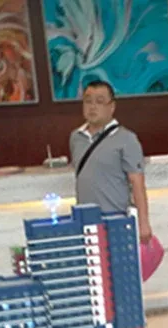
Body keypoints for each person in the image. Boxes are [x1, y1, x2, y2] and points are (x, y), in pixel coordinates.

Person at [69, 80, 152, 243]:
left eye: (99, 102)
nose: (92, 107)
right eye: (88, 101)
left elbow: (137, 182)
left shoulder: (127, 139)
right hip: (85, 221)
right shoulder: (75, 138)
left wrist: (143, 222)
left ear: (112, 106)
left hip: (116, 219)